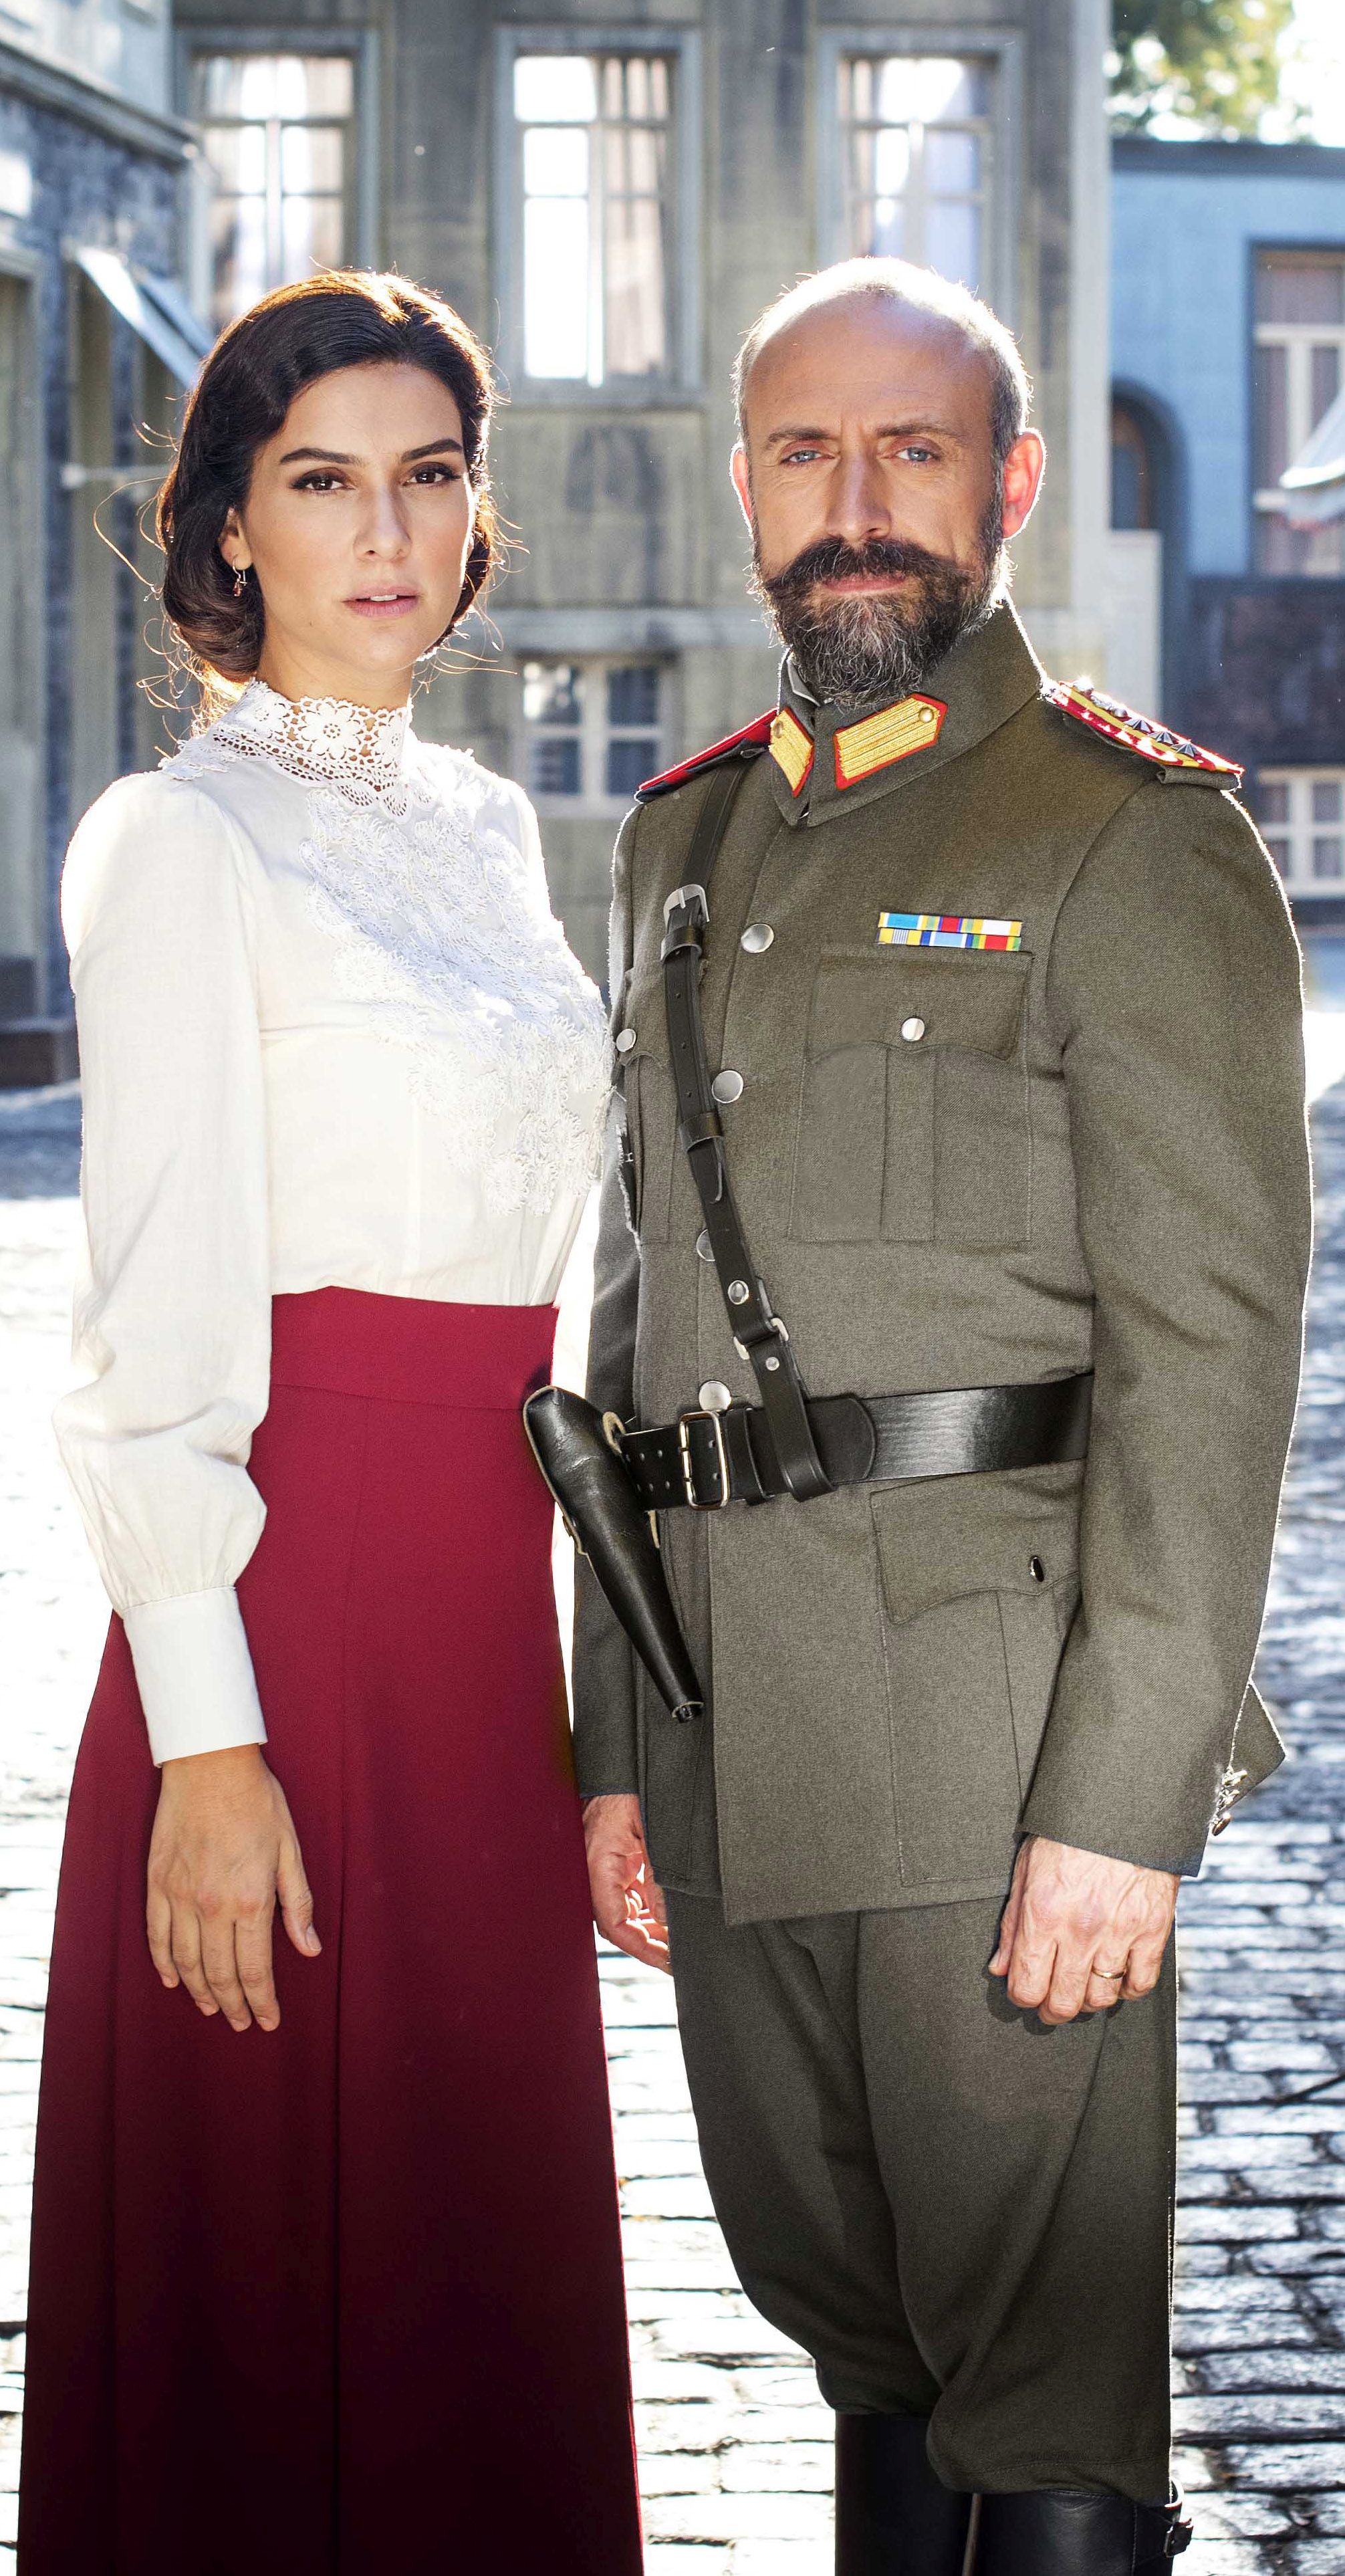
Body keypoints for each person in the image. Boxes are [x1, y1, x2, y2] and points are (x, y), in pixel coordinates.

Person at [574, 256, 1310, 2575]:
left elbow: (1213, 1354)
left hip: (995, 1739)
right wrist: (615, 1742)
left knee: (1036, 2366)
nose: (853, 503)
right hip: (732, 1724)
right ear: (745, 488)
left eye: (910, 449)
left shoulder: (1124, 835)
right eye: (805, 452)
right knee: (855, 2328)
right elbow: (630, 1321)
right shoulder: (680, 841)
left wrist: (1120, 1808)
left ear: (1009, 484)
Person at [20, 269, 642, 2575]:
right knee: (273, 2282)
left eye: (427, 475)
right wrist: (207, 1747)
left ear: (474, 511)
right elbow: (151, 1326)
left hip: (481, 1631)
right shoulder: (179, 837)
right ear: (229, 527)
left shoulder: (483, 826)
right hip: (282, 1635)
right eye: (321, 481)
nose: (384, 531)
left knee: (474, 2253)